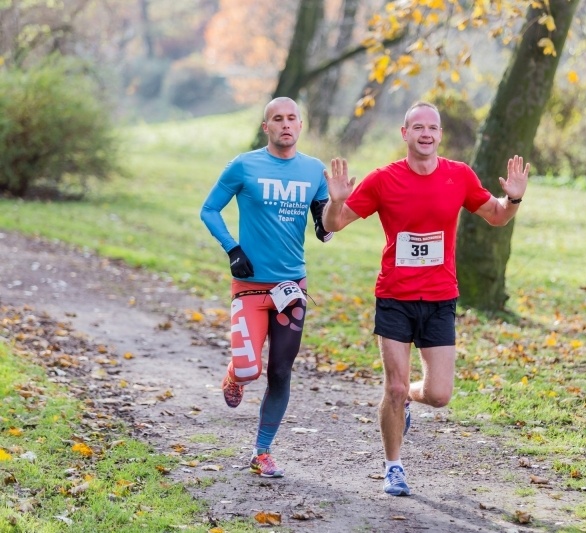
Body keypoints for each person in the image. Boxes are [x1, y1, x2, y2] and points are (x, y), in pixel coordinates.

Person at [322, 101, 529, 496]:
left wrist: (513, 200)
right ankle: (394, 467)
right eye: (418, 127)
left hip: (439, 298)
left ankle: (407, 401)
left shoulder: (459, 175)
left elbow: (496, 216)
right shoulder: (383, 180)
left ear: (440, 135)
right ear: (405, 134)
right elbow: (336, 223)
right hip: (395, 296)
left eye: (433, 127)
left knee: (438, 394)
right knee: (394, 387)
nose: (426, 134)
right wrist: (335, 201)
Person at [200, 97, 333, 479]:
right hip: (249, 287)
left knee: (280, 372)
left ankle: (262, 451)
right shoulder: (244, 165)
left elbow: (325, 230)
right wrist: (233, 249)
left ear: (301, 125)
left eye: (292, 118)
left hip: (292, 287)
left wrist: (338, 204)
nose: (285, 124)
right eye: (278, 119)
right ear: (267, 127)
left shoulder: (314, 170)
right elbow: (209, 209)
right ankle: (234, 375)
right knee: (248, 368)